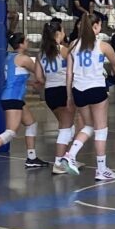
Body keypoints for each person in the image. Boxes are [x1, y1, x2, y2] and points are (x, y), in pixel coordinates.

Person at [0, 33, 50, 172]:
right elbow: (39, 72)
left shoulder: (9, 57)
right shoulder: (24, 59)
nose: (27, 43)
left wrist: (30, 83)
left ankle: (31, 158)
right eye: (26, 41)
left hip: (15, 97)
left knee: (31, 124)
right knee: (10, 132)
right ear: (21, 44)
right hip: (12, 98)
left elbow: (14, 78)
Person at [63, 13, 115, 180]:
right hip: (96, 89)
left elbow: (68, 73)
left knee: (88, 126)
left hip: (78, 90)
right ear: (96, 26)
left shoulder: (73, 45)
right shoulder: (103, 46)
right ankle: (101, 169)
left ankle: (70, 155)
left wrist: (69, 96)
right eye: (100, 25)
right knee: (101, 129)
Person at [35, 21, 73, 173]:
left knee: (66, 125)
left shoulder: (41, 54)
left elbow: (39, 77)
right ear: (58, 33)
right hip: (64, 90)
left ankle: (68, 158)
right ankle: (59, 163)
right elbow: (73, 70)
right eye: (63, 31)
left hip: (50, 92)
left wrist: (49, 80)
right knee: (65, 128)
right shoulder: (64, 50)